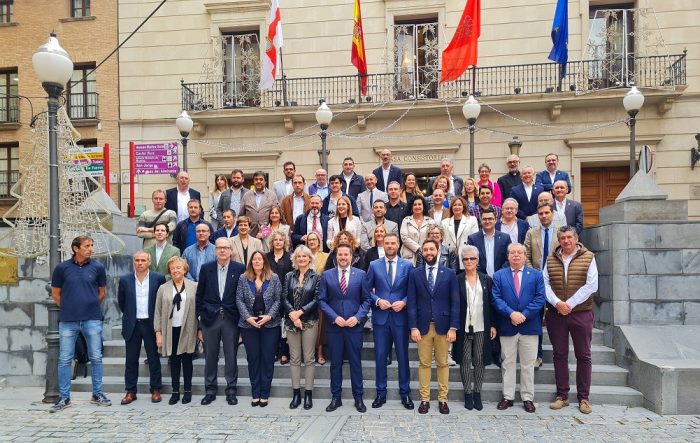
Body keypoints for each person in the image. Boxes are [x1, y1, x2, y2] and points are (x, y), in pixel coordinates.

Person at [49, 235, 111, 413]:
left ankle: (97, 394)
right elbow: (56, 294)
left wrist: (88, 306)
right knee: (65, 358)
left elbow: (102, 293)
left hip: (92, 318)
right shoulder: (62, 268)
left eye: (91, 245)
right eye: (87, 246)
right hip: (68, 320)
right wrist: (70, 308)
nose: (90, 249)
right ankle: (64, 397)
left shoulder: (98, 267)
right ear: (76, 248)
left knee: (96, 357)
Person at [544, 226, 598, 415]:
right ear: (559, 241)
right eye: (562, 238)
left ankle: (584, 398)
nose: (566, 241)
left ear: (576, 238)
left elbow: (592, 285)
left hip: (581, 313)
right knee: (559, 355)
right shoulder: (551, 259)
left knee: (584, 355)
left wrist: (570, 304)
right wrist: (558, 303)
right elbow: (545, 284)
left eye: (569, 237)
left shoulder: (588, 257)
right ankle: (562, 396)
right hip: (556, 314)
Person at [491, 243, 546, 413]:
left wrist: (523, 315)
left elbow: (540, 298)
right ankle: (508, 397)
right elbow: (496, 298)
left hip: (529, 326)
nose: (516, 255)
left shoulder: (536, 275)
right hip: (507, 325)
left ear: (525, 256)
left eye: (519, 253)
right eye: (512, 253)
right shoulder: (499, 276)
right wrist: (511, 314)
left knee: (528, 364)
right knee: (507, 363)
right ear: (508, 256)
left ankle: (527, 398)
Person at [407, 239, 460, 415]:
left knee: (443, 363)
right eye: (426, 249)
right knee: (424, 363)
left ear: (438, 251)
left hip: (444, 327)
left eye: (432, 249)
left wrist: (453, 327)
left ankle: (443, 399)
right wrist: (413, 327)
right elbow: (412, 302)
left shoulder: (450, 273)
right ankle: (424, 399)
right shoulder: (415, 274)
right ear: (422, 252)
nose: (429, 252)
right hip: (422, 327)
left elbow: (455, 302)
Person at [319, 243, 372, 413]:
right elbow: (322, 301)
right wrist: (335, 317)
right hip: (335, 327)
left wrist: (357, 318)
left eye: (346, 255)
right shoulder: (327, 275)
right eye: (340, 255)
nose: (343, 257)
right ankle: (336, 397)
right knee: (335, 363)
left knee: (356, 363)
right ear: (335, 257)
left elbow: (366, 300)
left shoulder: (361, 275)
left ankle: (358, 398)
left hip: (354, 327)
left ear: (352, 257)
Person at [195, 238, 246, 406]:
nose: (222, 251)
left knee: (231, 356)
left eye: (225, 248)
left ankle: (231, 390)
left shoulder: (239, 269)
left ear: (231, 250)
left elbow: (243, 297)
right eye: (219, 248)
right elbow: (199, 296)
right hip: (210, 319)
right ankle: (210, 390)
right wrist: (200, 324)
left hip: (231, 319)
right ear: (215, 250)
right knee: (210, 356)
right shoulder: (206, 269)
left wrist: (241, 326)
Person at [366, 234, 414, 410]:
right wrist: (377, 300)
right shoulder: (374, 265)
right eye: (387, 243)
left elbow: (413, 290)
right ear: (382, 244)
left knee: (403, 357)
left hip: (400, 318)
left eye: (393, 243)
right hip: (381, 318)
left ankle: (405, 393)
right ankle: (380, 393)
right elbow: (366, 291)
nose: (390, 246)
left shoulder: (408, 265)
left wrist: (405, 302)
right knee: (380, 357)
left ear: (398, 244)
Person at [118, 251, 166, 405]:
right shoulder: (125, 280)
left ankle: (156, 389)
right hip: (133, 324)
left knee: (153, 358)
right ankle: (131, 391)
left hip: (151, 324)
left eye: (143, 260)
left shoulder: (158, 278)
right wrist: (130, 316)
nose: (140, 263)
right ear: (134, 262)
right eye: (137, 260)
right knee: (131, 359)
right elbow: (122, 302)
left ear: (149, 262)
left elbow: (161, 302)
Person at [236, 251, 283, 407]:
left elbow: (278, 299)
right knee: (253, 358)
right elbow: (239, 299)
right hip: (249, 325)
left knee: (267, 359)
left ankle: (265, 393)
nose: (257, 261)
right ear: (251, 262)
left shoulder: (274, 278)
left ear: (264, 261)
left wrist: (269, 316)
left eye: (260, 259)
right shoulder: (243, 278)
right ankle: (255, 393)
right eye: (254, 259)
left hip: (270, 324)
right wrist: (247, 317)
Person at [453, 246, 497, 411]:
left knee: (479, 359)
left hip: (481, 325)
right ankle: (467, 393)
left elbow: (492, 304)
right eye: (466, 259)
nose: (469, 262)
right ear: (462, 261)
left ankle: (477, 392)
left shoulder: (486, 279)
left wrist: (493, 324)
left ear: (478, 260)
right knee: (465, 360)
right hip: (463, 326)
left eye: (472, 258)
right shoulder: (456, 279)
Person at [154, 256, 198, 406]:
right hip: (170, 329)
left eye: (178, 267)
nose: (175, 270)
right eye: (172, 268)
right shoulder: (163, 288)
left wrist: (200, 329)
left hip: (188, 328)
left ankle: (187, 391)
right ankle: (175, 391)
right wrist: (158, 332)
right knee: (174, 361)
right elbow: (158, 311)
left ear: (185, 269)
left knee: (187, 360)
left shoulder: (194, 286)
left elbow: (199, 309)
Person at [282, 245, 321, 410]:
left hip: (310, 321)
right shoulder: (289, 276)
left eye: (305, 256)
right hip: (291, 322)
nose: (302, 259)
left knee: (309, 358)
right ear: (295, 259)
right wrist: (293, 314)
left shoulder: (316, 277)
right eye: (299, 257)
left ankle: (308, 394)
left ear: (310, 259)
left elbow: (318, 298)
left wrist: (301, 313)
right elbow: (284, 297)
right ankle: (296, 393)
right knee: (295, 359)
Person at [266, 231, 293, 365]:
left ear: (284, 242)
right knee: (272, 325)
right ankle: (274, 351)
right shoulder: (266, 257)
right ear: (271, 242)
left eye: (280, 240)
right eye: (275, 240)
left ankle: (284, 352)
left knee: (284, 325)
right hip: (269, 296)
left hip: (286, 296)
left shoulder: (289, 258)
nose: (278, 242)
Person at [306, 232, 330, 365]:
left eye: (314, 239)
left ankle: (320, 352)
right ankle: (308, 352)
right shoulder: (303, 255)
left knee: (321, 324)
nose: (312, 242)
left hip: (321, 293)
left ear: (319, 241)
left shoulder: (326, 256)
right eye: (309, 240)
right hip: (306, 295)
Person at [467, 208, 512, 277]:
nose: (487, 221)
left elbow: (509, 258)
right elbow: (471, 259)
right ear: (480, 221)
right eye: (484, 219)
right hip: (480, 278)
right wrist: (483, 276)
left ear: (495, 220)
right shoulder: (473, 239)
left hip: (501, 277)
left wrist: (499, 274)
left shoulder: (505, 238)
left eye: (490, 219)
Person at [442, 196, 479, 268]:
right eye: (454, 205)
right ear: (451, 208)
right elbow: (443, 242)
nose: (457, 207)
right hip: (450, 257)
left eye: (459, 205)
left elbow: (475, 240)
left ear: (464, 207)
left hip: (466, 256)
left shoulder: (472, 220)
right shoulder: (444, 222)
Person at [240, 171, 279, 237]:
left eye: (261, 179)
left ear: (265, 182)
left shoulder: (272, 195)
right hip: (250, 232)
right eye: (256, 179)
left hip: (267, 232)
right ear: (253, 181)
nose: (258, 181)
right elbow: (241, 214)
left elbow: (276, 213)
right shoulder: (246, 195)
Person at [400, 196, 435, 264]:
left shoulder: (430, 221)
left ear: (423, 206)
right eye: (415, 204)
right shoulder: (406, 220)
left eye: (419, 204)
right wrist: (419, 248)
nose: (417, 206)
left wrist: (425, 249)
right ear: (411, 207)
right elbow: (404, 237)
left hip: (426, 255)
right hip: (408, 256)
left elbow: (432, 238)